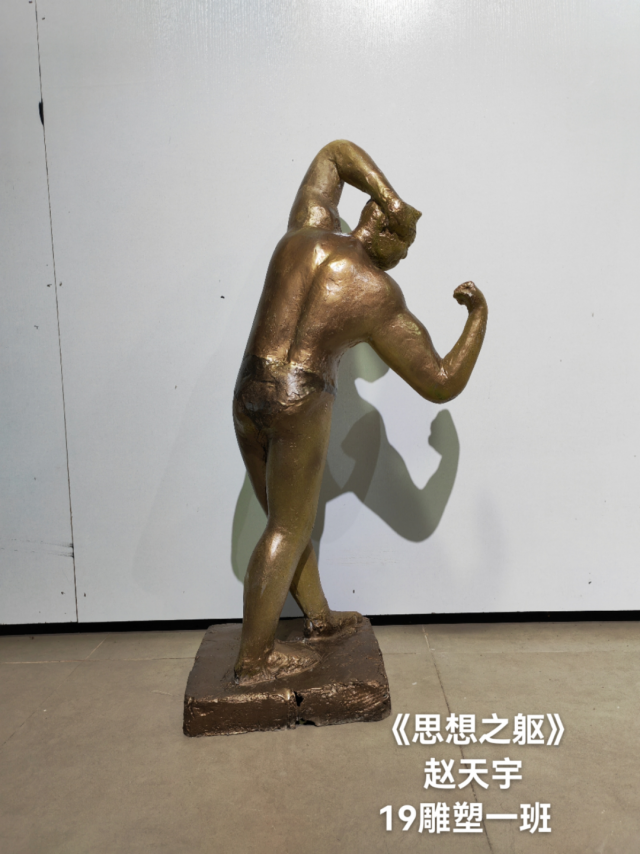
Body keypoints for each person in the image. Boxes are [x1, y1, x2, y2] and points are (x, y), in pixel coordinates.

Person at [233, 140, 488, 683]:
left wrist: (386, 194)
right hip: (300, 398)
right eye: (405, 245)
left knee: (284, 520)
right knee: (288, 526)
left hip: (250, 388)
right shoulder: (376, 293)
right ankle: (254, 661)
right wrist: (477, 318)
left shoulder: (305, 230)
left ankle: (318, 618)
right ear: (388, 235)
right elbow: (441, 382)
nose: (404, 258)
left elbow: (334, 155)